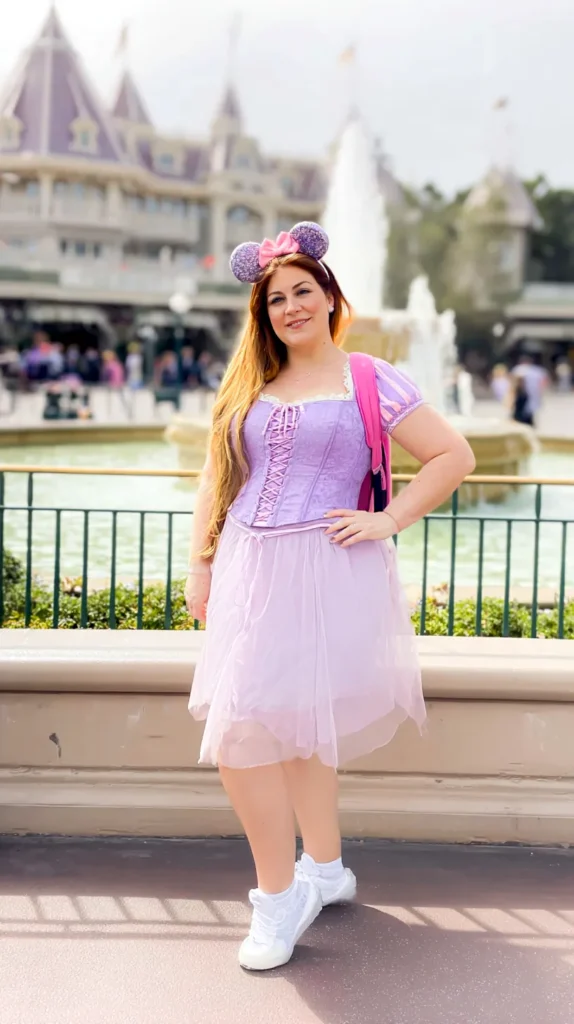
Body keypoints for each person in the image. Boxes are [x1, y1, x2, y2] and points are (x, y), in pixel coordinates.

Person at [185, 222, 475, 972]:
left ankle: (278, 901)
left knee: (253, 734)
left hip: (326, 569)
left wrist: (389, 517)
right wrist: (201, 565)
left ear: (329, 296)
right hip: (251, 566)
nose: (290, 307)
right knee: (275, 727)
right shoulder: (252, 383)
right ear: (264, 314)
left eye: (302, 291)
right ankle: (323, 868)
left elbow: (453, 455)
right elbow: (220, 479)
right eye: (276, 298)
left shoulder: (371, 379)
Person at [511, 355, 548, 427]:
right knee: (529, 410)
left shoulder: (519, 369)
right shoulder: (537, 370)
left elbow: (513, 381)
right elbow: (543, 382)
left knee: (521, 412)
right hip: (533, 393)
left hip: (523, 393)